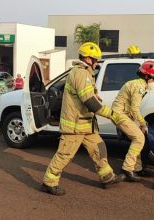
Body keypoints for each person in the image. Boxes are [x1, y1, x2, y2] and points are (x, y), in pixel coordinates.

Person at [42, 42, 122, 196]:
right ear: (87, 58)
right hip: (75, 125)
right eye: (95, 59)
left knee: (99, 147)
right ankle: (49, 182)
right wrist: (110, 114)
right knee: (64, 155)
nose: (97, 63)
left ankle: (107, 177)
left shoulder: (85, 73)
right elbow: (89, 101)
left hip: (85, 124)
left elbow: (88, 95)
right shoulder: (80, 73)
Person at [112, 61, 154, 181]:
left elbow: (132, 109)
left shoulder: (139, 85)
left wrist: (139, 124)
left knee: (140, 138)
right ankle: (127, 169)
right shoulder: (139, 87)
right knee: (139, 138)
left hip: (124, 115)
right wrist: (143, 123)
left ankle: (138, 168)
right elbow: (135, 109)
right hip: (120, 115)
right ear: (147, 76)